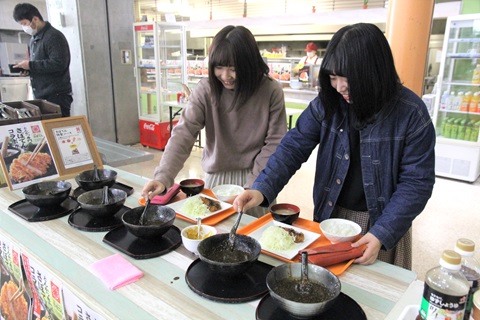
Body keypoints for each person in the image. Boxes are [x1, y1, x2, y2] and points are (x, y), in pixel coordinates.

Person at [233, 23, 436, 269]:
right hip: (332, 213)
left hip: (382, 219)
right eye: (333, 77)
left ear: (374, 71)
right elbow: (293, 146)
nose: (340, 87)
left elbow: (417, 182)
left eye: (347, 77)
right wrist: (262, 188)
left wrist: (382, 232)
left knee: (375, 293)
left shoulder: (410, 113)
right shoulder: (328, 103)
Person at [142, 25, 287, 217]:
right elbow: (183, 134)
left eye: (233, 69)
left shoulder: (270, 90)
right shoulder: (206, 89)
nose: (225, 76)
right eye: (219, 67)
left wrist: (255, 185)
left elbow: (275, 143)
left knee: (254, 240)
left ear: (249, 64)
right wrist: (163, 177)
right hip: (217, 179)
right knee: (213, 238)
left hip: (259, 178)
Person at [13, 3, 73, 117]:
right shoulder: (34, 39)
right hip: (41, 96)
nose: (24, 27)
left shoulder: (54, 36)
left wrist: (30, 65)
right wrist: (27, 69)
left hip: (57, 96)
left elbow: (59, 63)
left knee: (57, 130)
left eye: (24, 23)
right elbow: (40, 65)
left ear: (35, 19)